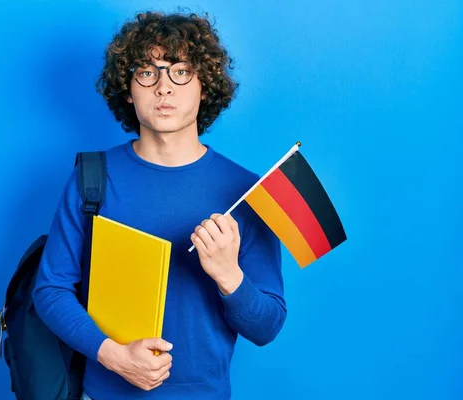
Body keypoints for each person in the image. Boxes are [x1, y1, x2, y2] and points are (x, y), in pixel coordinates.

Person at [32, 10, 287, 400]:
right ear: (128, 89)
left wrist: (228, 275)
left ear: (206, 86)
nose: (164, 87)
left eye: (181, 71)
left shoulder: (247, 192)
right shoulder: (92, 177)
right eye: (147, 72)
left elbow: (267, 327)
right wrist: (112, 356)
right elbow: (50, 290)